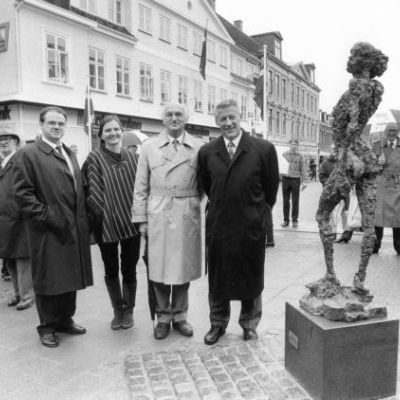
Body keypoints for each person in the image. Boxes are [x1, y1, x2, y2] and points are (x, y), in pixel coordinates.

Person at [198, 99, 279, 345]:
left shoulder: (262, 149)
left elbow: (271, 189)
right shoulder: (207, 151)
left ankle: (249, 324)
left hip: (250, 226)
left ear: (240, 117)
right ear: (216, 122)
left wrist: (256, 214)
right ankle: (217, 323)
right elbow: (207, 185)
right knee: (218, 278)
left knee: (251, 276)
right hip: (220, 227)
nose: (228, 123)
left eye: (232, 117)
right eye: (222, 119)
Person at [13, 106, 93, 348]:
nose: (57, 127)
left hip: (72, 228)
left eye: (61, 123)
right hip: (47, 230)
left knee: (69, 277)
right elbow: (22, 194)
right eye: (52, 123)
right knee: (49, 280)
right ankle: (47, 326)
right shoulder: (29, 153)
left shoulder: (68, 152)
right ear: (41, 125)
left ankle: (65, 320)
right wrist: (49, 216)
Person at [132, 103, 203, 340]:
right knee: (160, 266)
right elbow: (140, 187)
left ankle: (181, 316)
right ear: (163, 119)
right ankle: (163, 317)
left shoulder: (198, 147)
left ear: (186, 118)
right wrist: (141, 220)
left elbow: (203, 184)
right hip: (158, 213)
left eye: (179, 114)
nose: (174, 118)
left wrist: (190, 201)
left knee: (182, 267)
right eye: (169, 114)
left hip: (185, 213)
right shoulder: (149, 147)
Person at [82, 115, 141, 330]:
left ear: (122, 131)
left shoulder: (133, 157)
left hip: (131, 222)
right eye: (108, 130)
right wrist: (103, 214)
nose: (113, 133)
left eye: (117, 129)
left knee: (130, 268)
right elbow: (92, 193)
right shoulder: (94, 158)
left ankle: (130, 311)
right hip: (104, 225)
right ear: (101, 134)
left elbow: (141, 188)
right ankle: (118, 309)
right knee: (110, 269)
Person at [0, 127, 34, 310]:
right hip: (5, 220)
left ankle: (27, 297)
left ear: (16, 142)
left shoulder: (20, 159)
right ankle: (17, 293)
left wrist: (19, 210)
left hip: (19, 219)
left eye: (8, 139)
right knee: (9, 259)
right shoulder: (2, 161)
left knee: (22, 259)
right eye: (1, 139)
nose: (4, 142)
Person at [373, 122, 400, 254]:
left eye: (394, 130)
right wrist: (378, 163)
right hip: (381, 185)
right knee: (379, 215)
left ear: (398, 132)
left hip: (397, 185)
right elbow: (369, 165)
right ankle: (376, 244)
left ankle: (398, 245)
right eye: (389, 130)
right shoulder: (377, 146)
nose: (392, 133)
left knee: (398, 216)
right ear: (385, 131)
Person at [319, 145, 353, 243]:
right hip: (331, 192)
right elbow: (321, 177)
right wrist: (330, 184)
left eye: (337, 150)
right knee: (331, 214)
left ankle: (346, 235)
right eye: (334, 150)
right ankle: (332, 233)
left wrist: (347, 183)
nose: (335, 152)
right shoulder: (325, 163)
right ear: (331, 151)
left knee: (346, 212)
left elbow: (351, 175)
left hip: (344, 192)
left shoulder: (345, 163)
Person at [281, 139, 306, 228]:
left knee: (295, 201)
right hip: (286, 179)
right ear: (289, 145)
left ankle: (295, 220)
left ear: (297, 145)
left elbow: (303, 168)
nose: (293, 146)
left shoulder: (300, 156)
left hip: (295, 179)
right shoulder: (284, 154)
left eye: (295, 144)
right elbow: (280, 166)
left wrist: (304, 181)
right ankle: (285, 220)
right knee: (285, 201)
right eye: (292, 144)